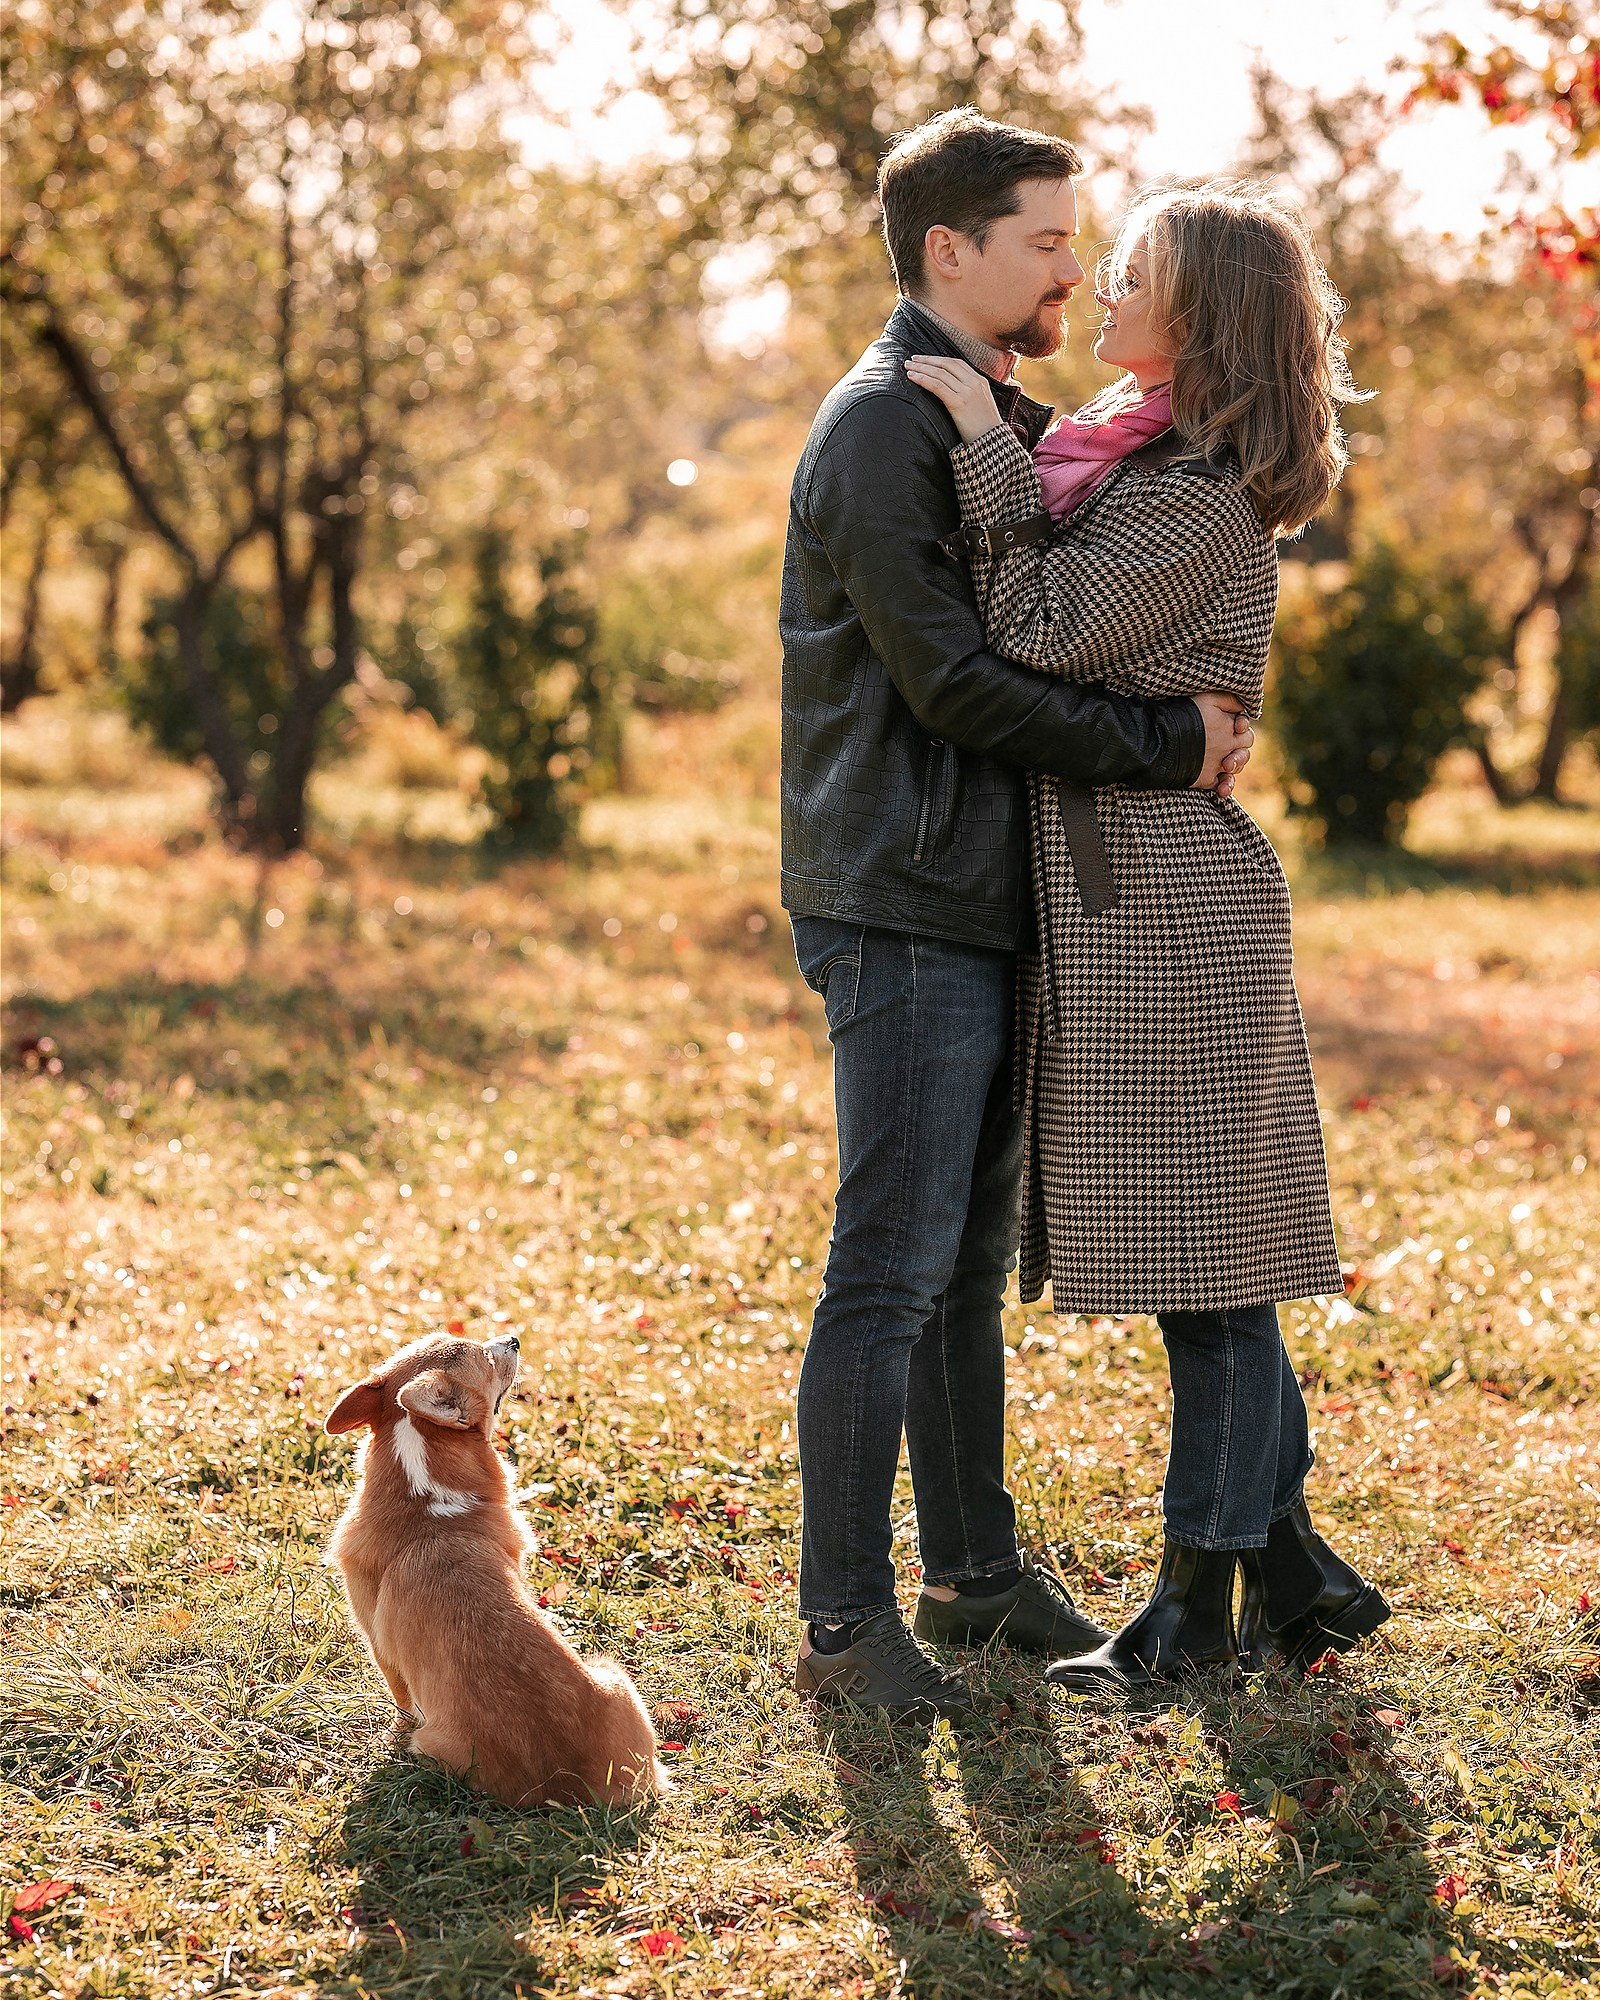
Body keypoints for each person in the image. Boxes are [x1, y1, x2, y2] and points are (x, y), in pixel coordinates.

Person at [780, 110, 1257, 1719]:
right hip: (905, 896)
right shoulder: (877, 432)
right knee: (890, 1270)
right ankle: (844, 1631)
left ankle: (972, 1573)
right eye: (1051, 239)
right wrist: (1167, 746)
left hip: (989, 900)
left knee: (963, 1264)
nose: (1076, 263)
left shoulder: (998, 418)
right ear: (950, 253)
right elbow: (962, 683)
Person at [904, 178, 1391, 1694]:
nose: (1102, 289)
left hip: (1169, 907)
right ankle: (1297, 1573)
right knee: (1207, 1265)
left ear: (1203, 321)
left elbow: (1035, 629)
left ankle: (1195, 1605)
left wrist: (985, 445)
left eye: (1133, 274)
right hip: (1133, 892)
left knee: (1207, 1283)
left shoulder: (1193, 494)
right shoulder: (1137, 455)